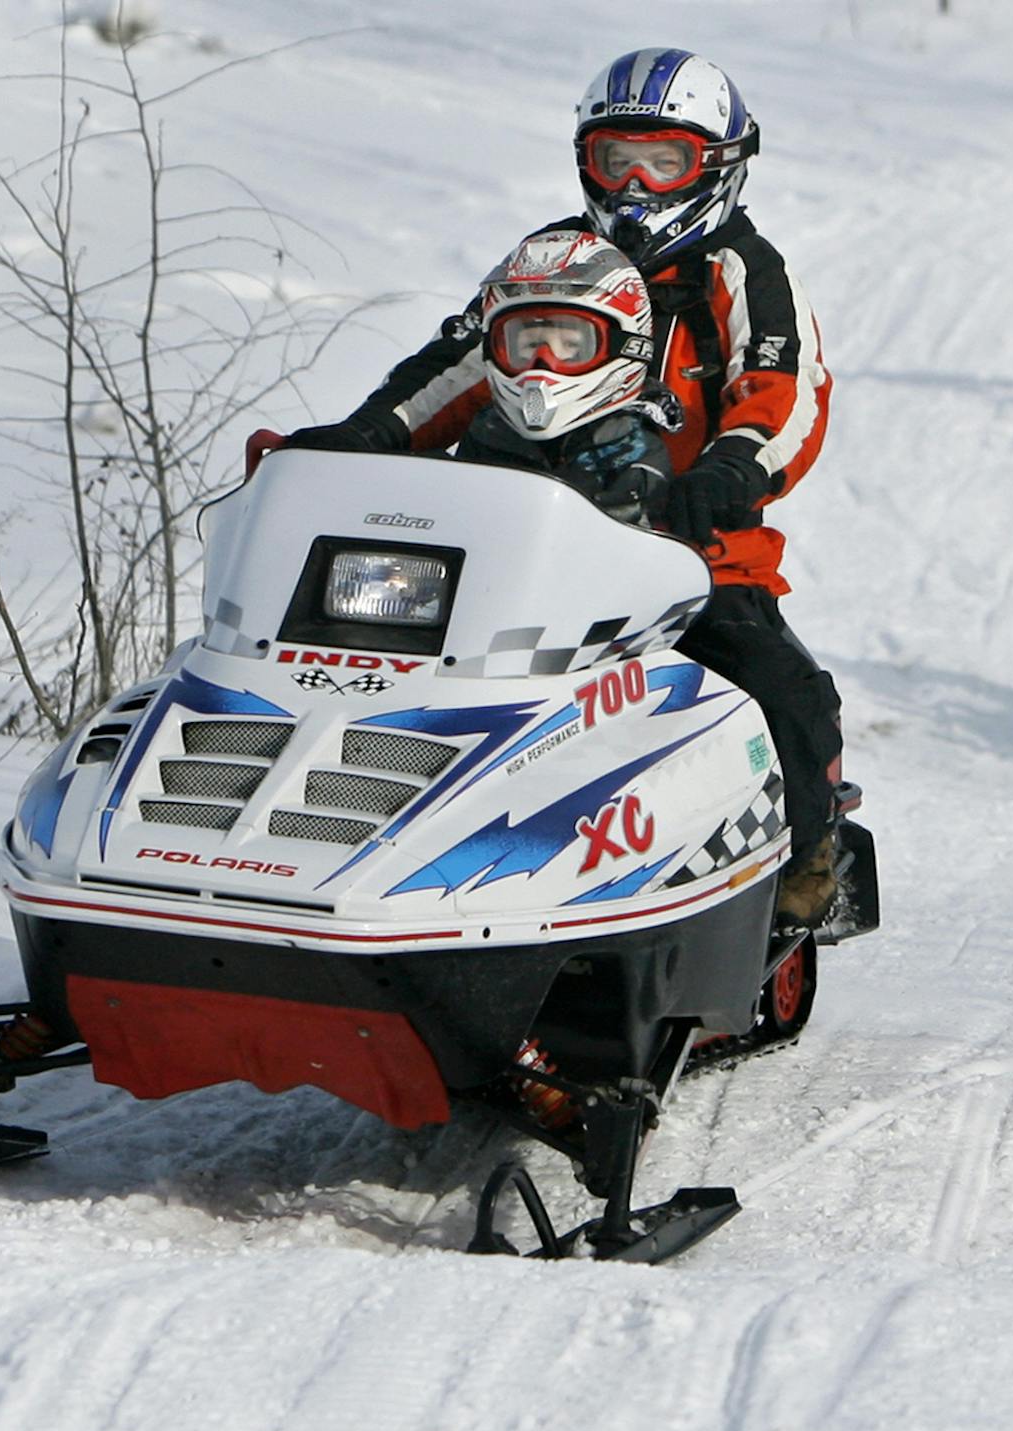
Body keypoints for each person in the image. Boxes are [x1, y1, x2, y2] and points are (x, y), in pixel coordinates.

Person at [282, 49, 845, 927]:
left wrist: (735, 466)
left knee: (778, 688)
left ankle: (805, 860)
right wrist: (367, 437)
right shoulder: (554, 260)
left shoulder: (741, 272)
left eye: (664, 162)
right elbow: (458, 363)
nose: (636, 186)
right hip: (519, 541)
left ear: (718, 166)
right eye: (615, 160)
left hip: (691, 546)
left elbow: (787, 388)